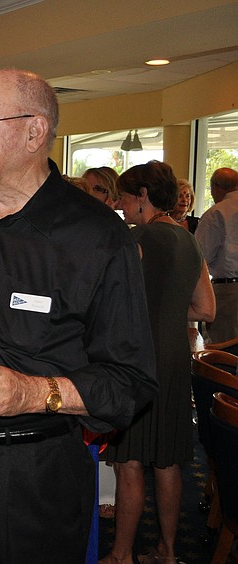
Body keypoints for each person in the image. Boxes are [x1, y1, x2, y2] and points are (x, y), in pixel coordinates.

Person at [0, 69, 157, 563]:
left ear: (33, 131)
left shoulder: (96, 235)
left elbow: (130, 382)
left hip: (31, 473)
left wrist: (31, 391)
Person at [100, 161, 214, 564]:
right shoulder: (188, 239)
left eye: (126, 196)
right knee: (168, 461)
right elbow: (206, 309)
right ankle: (167, 552)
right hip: (174, 357)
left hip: (137, 357)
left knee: (129, 462)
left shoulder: (137, 238)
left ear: (143, 196)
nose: (120, 203)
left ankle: (121, 554)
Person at [195, 167, 238, 344]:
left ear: (215, 187)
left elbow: (200, 255)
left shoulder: (217, 213)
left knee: (225, 348)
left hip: (228, 291)